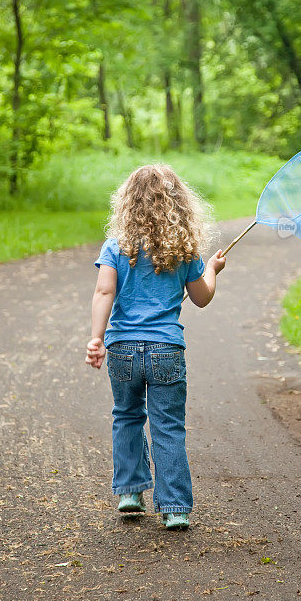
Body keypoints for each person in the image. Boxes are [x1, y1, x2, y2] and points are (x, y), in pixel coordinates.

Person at [85, 163, 225, 530]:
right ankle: (175, 507)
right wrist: (211, 270)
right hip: (166, 350)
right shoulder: (184, 249)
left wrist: (97, 338)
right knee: (167, 426)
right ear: (179, 204)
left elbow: (104, 291)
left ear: (127, 203)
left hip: (123, 349)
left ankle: (130, 492)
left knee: (126, 416)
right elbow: (202, 298)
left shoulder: (117, 246)